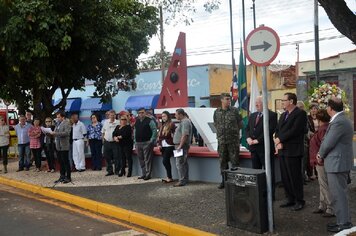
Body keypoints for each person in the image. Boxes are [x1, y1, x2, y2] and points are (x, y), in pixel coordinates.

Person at [318, 97, 353, 233]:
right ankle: (342, 221)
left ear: (330, 108)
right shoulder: (342, 120)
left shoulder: (339, 122)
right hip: (337, 162)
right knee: (339, 194)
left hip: (337, 163)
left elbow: (328, 142)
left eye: (327, 106)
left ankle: (344, 223)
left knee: (339, 195)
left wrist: (320, 155)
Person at [274, 92, 307, 211]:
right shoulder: (283, 115)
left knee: (295, 177)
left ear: (291, 102)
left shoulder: (300, 114)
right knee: (285, 177)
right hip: (283, 149)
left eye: (284, 100)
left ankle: (299, 200)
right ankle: (290, 198)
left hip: (293, 150)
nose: (282, 102)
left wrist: (280, 139)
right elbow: (278, 130)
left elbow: (295, 130)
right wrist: (278, 141)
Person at [246, 96, 277, 197]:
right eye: (256, 102)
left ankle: (270, 194)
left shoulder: (271, 115)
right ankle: (258, 192)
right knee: (256, 171)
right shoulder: (253, 115)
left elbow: (270, 130)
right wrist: (248, 138)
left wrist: (258, 140)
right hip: (254, 149)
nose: (256, 104)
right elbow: (247, 129)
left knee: (269, 171)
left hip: (265, 148)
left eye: (258, 102)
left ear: (264, 103)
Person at [213, 93, 243, 189]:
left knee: (235, 162)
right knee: (222, 162)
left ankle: (235, 182)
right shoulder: (217, 112)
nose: (229, 101)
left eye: (229, 99)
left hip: (233, 141)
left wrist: (234, 133)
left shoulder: (234, 111)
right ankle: (224, 181)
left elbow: (240, 123)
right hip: (222, 141)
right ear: (221, 100)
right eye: (227, 99)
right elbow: (215, 124)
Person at [309, 109, 334, 217]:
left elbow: (323, 145)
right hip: (320, 160)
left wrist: (319, 158)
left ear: (319, 119)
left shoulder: (323, 129)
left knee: (324, 184)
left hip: (321, 161)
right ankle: (322, 205)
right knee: (321, 183)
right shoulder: (325, 128)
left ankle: (330, 207)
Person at [134, 107, 157, 180]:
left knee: (147, 159)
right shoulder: (137, 121)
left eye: (142, 112)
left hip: (147, 142)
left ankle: (148, 174)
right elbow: (135, 131)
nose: (141, 114)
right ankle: (143, 174)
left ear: (145, 113)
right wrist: (135, 140)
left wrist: (152, 139)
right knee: (141, 159)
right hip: (138, 143)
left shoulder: (150, 120)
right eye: (139, 113)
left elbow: (154, 130)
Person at [173, 108, 192, 187]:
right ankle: (184, 179)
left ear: (181, 114)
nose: (175, 116)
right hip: (181, 145)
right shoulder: (184, 122)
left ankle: (182, 180)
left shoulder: (185, 122)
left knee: (180, 163)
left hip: (182, 146)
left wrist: (180, 146)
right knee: (183, 163)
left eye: (176, 114)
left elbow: (185, 135)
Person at [52, 112, 71, 184]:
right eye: (57, 117)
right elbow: (56, 132)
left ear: (63, 117)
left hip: (64, 145)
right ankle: (62, 176)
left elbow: (66, 133)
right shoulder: (58, 124)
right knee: (60, 162)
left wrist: (56, 134)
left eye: (59, 117)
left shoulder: (67, 123)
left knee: (66, 161)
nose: (57, 118)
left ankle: (68, 177)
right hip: (58, 145)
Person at [157, 111, 176, 183]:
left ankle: (169, 177)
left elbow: (174, 134)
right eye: (162, 116)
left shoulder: (172, 124)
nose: (163, 117)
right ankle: (169, 177)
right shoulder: (162, 125)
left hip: (170, 145)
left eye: (164, 116)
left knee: (165, 161)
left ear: (168, 116)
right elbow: (159, 136)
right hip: (163, 145)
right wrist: (159, 144)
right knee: (166, 161)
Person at [102, 110, 120, 176]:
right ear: (109, 115)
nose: (112, 116)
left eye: (113, 115)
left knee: (116, 157)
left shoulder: (118, 122)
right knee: (106, 156)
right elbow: (103, 131)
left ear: (115, 115)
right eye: (111, 115)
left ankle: (117, 170)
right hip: (107, 141)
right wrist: (103, 140)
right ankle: (109, 170)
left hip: (115, 142)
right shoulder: (106, 122)